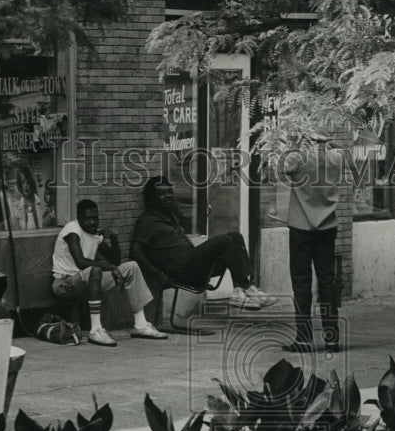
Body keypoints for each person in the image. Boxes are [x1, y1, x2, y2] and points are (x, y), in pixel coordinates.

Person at [131, 176, 277, 310]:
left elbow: (181, 217)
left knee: (235, 237)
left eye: (170, 192)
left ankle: (240, 290)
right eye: (162, 194)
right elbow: (135, 251)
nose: (168, 196)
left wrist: (174, 209)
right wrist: (157, 275)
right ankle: (246, 287)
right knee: (224, 241)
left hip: (192, 266)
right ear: (151, 199)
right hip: (178, 271)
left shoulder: (170, 215)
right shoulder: (147, 221)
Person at [52, 199, 167, 346]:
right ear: (78, 218)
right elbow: (81, 262)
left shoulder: (94, 234)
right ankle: (95, 330)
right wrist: (111, 268)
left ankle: (141, 325)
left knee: (132, 266)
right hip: (64, 284)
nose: (93, 222)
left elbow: (115, 261)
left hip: (87, 280)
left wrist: (114, 239)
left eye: (95, 218)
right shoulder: (72, 231)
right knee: (95, 270)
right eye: (88, 219)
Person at [280, 135, 350, 353]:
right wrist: (329, 143)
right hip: (328, 226)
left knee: (301, 284)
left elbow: (281, 167)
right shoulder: (336, 157)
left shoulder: (297, 158)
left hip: (301, 227)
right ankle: (331, 337)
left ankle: (303, 339)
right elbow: (341, 150)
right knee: (327, 282)